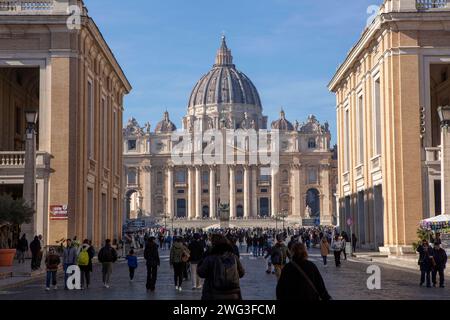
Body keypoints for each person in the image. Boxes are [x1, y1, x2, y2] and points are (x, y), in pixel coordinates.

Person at [197, 235, 245, 300]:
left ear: (213, 244)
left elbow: (201, 273)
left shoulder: (210, 258)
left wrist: (203, 258)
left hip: (213, 294)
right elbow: (242, 273)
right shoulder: (234, 257)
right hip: (232, 294)